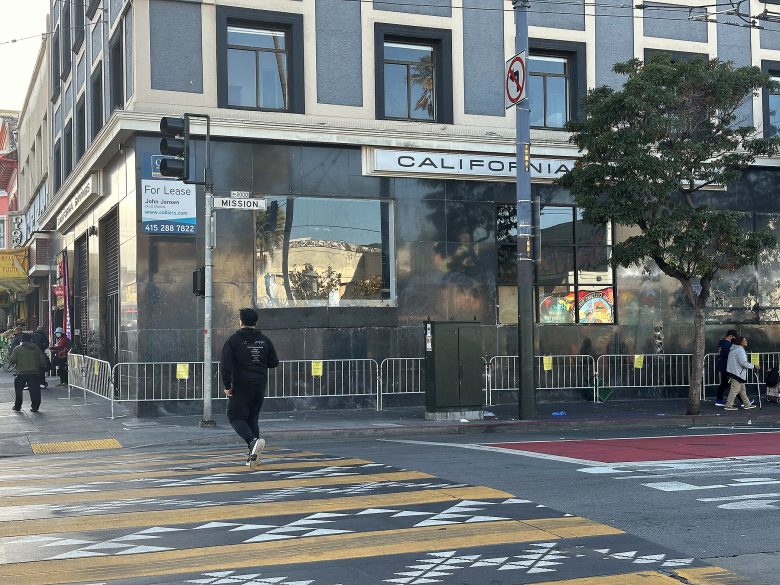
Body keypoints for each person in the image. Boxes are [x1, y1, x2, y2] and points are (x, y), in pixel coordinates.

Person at [220, 307, 279, 468]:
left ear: (241, 321)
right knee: (252, 418)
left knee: (235, 416)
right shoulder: (265, 340)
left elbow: (225, 365)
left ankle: (252, 442)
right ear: (256, 321)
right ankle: (254, 456)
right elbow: (274, 362)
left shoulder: (233, 340)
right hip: (259, 384)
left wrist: (227, 386)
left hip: (241, 385)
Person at [9, 332, 48, 413]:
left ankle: (17, 406)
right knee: (35, 391)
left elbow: (12, 360)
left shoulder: (17, 349)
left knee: (19, 390)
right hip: (34, 373)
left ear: (21, 340)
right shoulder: (36, 348)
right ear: (31, 340)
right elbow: (42, 361)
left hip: (21, 373)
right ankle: (35, 407)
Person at [725, 335, 758, 411]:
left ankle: (747, 404)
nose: (746, 341)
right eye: (745, 340)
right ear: (740, 342)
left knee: (742, 390)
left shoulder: (734, 349)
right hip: (737, 374)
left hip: (735, 373)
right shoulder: (739, 350)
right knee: (735, 390)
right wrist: (754, 366)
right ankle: (728, 405)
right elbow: (743, 363)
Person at [715, 329, 739, 406]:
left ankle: (719, 400)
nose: (735, 339)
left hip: (725, 366)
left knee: (725, 383)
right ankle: (744, 401)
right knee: (735, 383)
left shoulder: (723, 342)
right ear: (730, 336)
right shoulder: (726, 344)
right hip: (727, 366)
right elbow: (729, 354)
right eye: (734, 337)